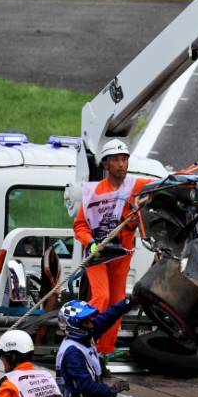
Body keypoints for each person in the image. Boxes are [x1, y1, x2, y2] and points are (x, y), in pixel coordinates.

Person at [73, 138, 152, 356]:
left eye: (124, 159)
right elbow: (80, 225)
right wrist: (91, 242)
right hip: (97, 255)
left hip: (122, 256)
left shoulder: (136, 186)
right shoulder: (92, 193)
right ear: (105, 164)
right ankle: (82, 342)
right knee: (102, 298)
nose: (121, 164)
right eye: (115, 160)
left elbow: (164, 184)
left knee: (117, 304)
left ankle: (104, 353)